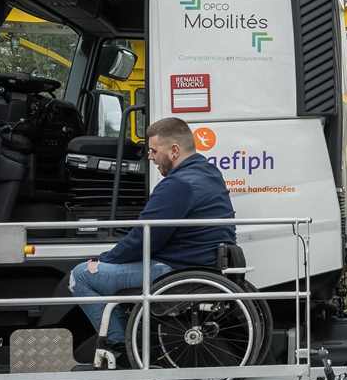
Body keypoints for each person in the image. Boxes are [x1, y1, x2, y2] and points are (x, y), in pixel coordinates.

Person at [68, 116, 236, 364]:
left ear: (175, 151)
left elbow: (144, 240)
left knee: (79, 276)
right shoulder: (210, 174)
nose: (149, 156)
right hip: (204, 267)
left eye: (154, 150)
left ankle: (120, 347)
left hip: (175, 271)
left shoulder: (177, 185)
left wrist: (102, 260)